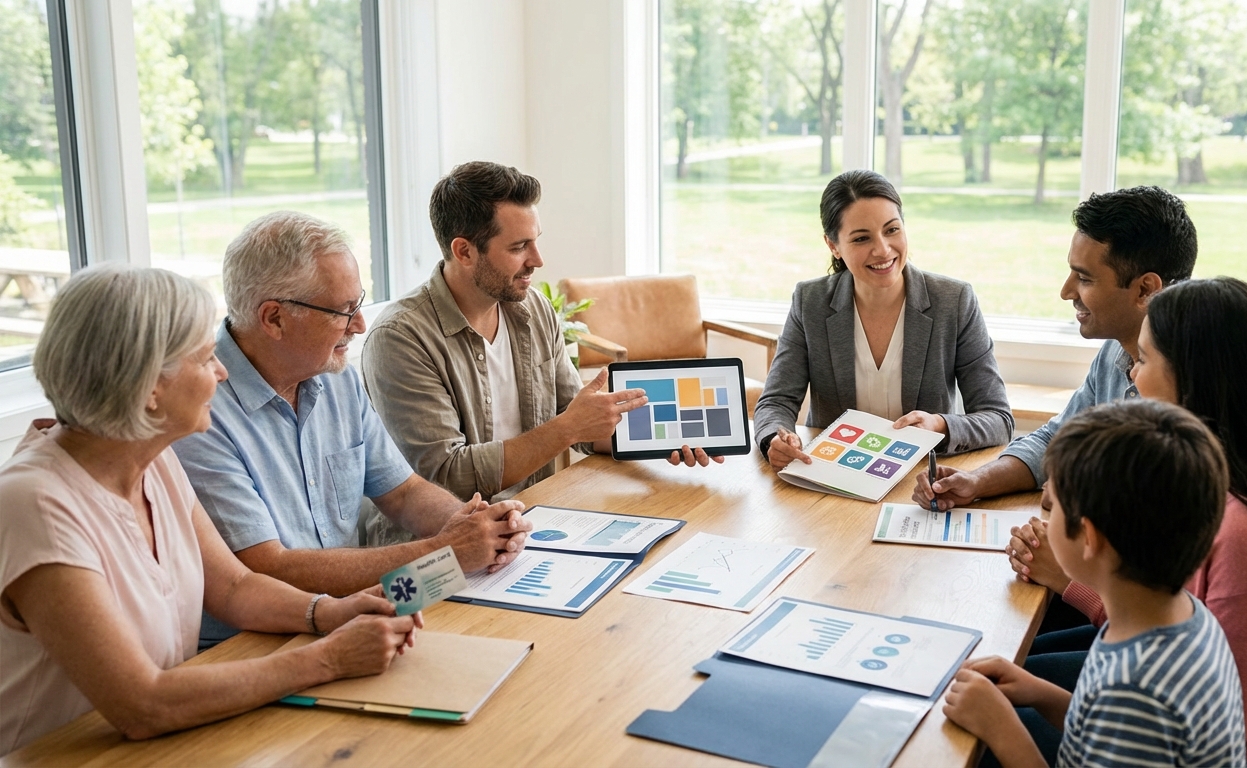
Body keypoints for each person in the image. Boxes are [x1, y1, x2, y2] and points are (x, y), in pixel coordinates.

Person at [0, 265, 420, 755]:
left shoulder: (152, 461)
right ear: (148, 386)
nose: (221, 371)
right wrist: (327, 659)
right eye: (204, 360)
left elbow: (234, 587)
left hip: (165, 745)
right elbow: (142, 703)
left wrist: (329, 612)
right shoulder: (34, 504)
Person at [1006, 277, 1247, 765]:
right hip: (1164, 681)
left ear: (1197, 378)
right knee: (1018, 663)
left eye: (1145, 359)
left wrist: (1074, 582)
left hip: (1228, 750)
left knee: (987, 719)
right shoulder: (1217, 479)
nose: (1131, 375)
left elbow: (1227, 711)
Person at [173, 211, 533, 647]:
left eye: (359, 303)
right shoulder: (198, 411)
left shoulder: (333, 373)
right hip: (256, 642)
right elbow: (267, 568)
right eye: (344, 311)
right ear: (274, 319)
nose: (360, 324)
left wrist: (467, 523)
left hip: (355, 612)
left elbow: (402, 492)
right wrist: (446, 551)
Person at [362, 161, 714, 510]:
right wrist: (568, 428)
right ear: (464, 251)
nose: (538, 260)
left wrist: (659, 440)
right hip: (454, 542)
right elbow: (446, 475)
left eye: (536, 242)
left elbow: (572, 415)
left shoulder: (534, 310)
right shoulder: (400, 339)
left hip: (541, 516)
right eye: (519, 247)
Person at [943, 399, 1247, 768]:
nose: (1043, 514)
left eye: (1051, 508)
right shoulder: (1181, 616)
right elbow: (1102, 730)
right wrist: (1039, 693)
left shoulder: (1134, 692)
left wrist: (1002, 728)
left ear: (1089, 539)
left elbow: (1119, 715)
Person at [912, 185, 1196, 507]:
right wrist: (976, 482)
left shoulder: (1204, 374)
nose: (1066, 291)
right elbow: (1054, 441)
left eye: (1085, 279)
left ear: (1145, 289)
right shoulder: (1115, 350)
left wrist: (1077, 494)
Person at [753, 170, 1012, 469]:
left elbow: (998, 419)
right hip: (835, 474)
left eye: (891, 230)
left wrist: (940, 425)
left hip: (920, 477)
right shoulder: (809, 302)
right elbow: (776, 401)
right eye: (862, 238)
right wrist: (774, 438)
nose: (883, 250)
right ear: (833, 246)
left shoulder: (954, 301)